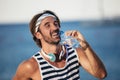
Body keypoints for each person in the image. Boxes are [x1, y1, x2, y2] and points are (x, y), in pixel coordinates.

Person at [13, 10, 107, 80]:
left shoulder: (75, 53)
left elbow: (101, 74)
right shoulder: (30, 66)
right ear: (38, 34)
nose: (55, 28)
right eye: (47, 25)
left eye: (56, 23)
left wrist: (84, 44)